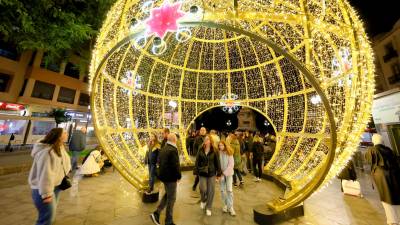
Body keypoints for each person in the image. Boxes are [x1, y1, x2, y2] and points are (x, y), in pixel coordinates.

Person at [28, 128, 71, 225]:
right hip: (43, 190)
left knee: (50, 216)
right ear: (59, 136)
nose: (67, 134)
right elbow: (45, 175)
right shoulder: (47, 152)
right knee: (46, 218)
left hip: (56, 187)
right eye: (65, 133)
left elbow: (63, 162)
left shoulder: (60, 147)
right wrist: (46, 194)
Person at [365, 134, 400, 225]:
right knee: (395, 196)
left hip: (381, 176)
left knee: (386, 198)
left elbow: (368, 160)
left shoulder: (372, 150)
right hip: (394, 175)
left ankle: (392, 221)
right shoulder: (389, 150)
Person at [150, 133, 181, 225]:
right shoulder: (173, 150)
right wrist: (178, 176)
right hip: (171, 178)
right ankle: (168, 221)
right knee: (172, 199)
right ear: (174, 140)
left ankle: (157, 213)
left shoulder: (164, 148)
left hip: (164, 177)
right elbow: (176, 165)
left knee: (167, 195)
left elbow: (159, 162)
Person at [195, 135, 221, 216]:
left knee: (211, 191)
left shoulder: (215, 150)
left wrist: (219, 173)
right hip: (202, 172)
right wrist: (196, 170)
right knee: (203, 189)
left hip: (211, 173)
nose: (206, 141)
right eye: (205, 139)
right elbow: (197, 160)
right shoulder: (201, 148)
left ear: (211, 141)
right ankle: (203, 200)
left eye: (208, 140)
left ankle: (209, 207)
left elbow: (217, 162)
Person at [218, 140, 236, 216]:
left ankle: (231, 207)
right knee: (222, 191)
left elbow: (231, 165)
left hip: (228, 175)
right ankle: (225, 205)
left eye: (222, 145)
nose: (220, 147)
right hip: (221, 175)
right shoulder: (218, 153)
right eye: (219, 146)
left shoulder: (229, 153)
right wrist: (218, 174)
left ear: (225, 145)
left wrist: (224, 173)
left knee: (229, 190)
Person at [192, 127, 207, 191]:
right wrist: (196, 155)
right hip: (200, 158)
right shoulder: (197, 138)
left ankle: (204, 187)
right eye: (201, 130)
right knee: (199, 173)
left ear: (206, 131)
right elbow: (194, 147)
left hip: (207, 157)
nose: (203, 131)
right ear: (200, 131)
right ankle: (195, 184)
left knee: (206, 172)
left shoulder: (207, 138)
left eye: (204, 130)